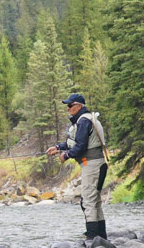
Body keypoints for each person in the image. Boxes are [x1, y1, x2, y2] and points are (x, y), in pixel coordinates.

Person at [44, 92, 107, 240]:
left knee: (88, 201)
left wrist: (66, 155)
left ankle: (92, 237)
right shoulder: (85, 120)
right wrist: (58, 147)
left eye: (70, 106)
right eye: (67, 106)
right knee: (95, 200)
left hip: (91, 164)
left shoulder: (83, 121)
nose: (68, 109)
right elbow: (73, 141)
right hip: (97, 164)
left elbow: (81, 146)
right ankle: (101, 237)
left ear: (79, 106)